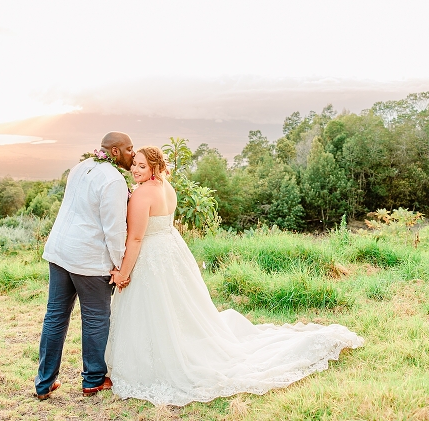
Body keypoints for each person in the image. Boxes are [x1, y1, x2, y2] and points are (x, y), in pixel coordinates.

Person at [105, 146, 364, 406]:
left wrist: (123, 273)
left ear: (154, 167)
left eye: (141, 166)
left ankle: (159, 357)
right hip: (172, 251)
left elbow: (136, 237)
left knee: (157, 308)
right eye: (134, 165)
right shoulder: (166, 188)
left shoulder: (141, 195)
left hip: (153, 255)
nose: (135, 170)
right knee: (176, 308)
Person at [34, 132, 135, 400]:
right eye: (128, 149)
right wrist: (119, 265)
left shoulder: (80, 167)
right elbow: (114, 229)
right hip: (89, 259)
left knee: (55, 316)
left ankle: (43, 383)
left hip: (59, 250)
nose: (133, 154)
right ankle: (92, 380)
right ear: (114, 152)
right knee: (95, 318)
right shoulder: (113, 180)